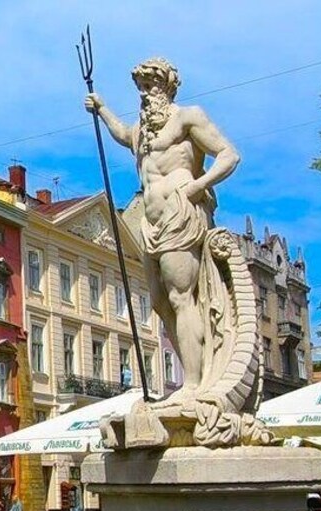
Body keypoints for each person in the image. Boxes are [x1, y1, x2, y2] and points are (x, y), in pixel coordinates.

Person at [84, 57, 240, 394]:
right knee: (159, 302)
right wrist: (102, 109)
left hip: (181, 214)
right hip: (150, 223)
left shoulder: (188, 117)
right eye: (141, 86)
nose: (145, 92)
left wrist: (198, 186)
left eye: (152, 85)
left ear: (168, 87)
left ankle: (196, 384)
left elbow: (229, 154)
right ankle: (194, 374)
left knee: (182, 296)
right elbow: (123, 134)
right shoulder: (141, 131)